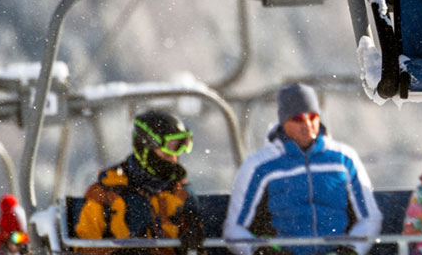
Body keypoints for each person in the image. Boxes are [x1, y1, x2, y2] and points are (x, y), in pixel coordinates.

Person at [224, 83, 382, 255]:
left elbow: (370, 217)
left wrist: (351, 250)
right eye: (298, 118)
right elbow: (234, 228)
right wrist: (261, 250)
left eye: (313, 116)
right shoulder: (258, 166)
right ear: (283, 121)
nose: (307, 124)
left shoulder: (343, 159)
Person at [73, 109, 205, 255]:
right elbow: (84, 247)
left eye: (181, 147)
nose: (174, 157)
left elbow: (196, 241)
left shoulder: (180, 192)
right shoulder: (105, 192)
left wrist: (192, 238)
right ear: (147, 146)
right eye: (170, 147)